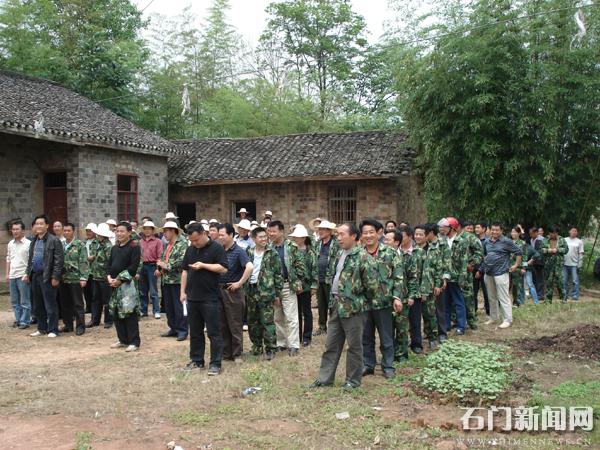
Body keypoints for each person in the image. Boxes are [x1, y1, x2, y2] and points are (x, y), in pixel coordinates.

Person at [308, 223, 378, 391]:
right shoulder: (340, 254)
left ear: (354, 236)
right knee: (331, 345)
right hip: (336, 306)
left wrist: (356, 301)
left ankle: (352, 381)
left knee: (354, 347)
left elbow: (373, 287)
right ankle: (325, 378)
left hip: (353, 309)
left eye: (341, 234)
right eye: (337, 234)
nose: (338, 238)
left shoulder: (363, 257)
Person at [181, 223, 229, 375]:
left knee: (214, 332)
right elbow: (185, 271)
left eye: (196, 240)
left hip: (210, 297)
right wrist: (183, 292)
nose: (194, 243)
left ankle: (215, 363)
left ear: (204, 233)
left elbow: (223, 268)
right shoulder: (190, 249)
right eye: (192, 240)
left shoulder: (216, 248)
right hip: (193, 297)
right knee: (195, 331)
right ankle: (197, 360)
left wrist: (204, 265)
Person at [360, 219, 402, 377]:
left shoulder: (390, 252)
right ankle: (368, 364)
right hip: (364, 303)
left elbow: (399, 277)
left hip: (384, 302)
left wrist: (397, 297)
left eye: (371, 232)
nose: (368, 235)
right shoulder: (358, 254)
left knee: (386, 336)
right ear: (361, 235)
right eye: (365, 233)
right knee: (366, 336)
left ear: (379, 233)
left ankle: (388, 365)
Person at [267, 220, 306, 356]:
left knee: (291, 316)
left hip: (288, 285)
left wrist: (298, 281)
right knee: (277, 317)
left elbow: (300, 265)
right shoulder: (268, 247)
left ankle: (294, 344)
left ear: (281, 231)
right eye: (269, 231)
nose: (271, 234)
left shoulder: (291, 246)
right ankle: (281, 343)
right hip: (273, 287)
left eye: (274, 231)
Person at [245, 226, 283, 360]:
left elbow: (278, 275)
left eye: (265, 236)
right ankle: (256, 346)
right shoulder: (248, 251)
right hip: (251, 290)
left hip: (266, 292)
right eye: (260, 237)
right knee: (253, 320)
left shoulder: (272, 253)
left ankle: (271, 348)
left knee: (267, 322)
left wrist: (278, 294)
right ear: (254, 238)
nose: (264, 239)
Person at [217, 223, 253, 362]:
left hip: (233, 292)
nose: (220, 237)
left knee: (235, 323)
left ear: (231, 235)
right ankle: (226, 353)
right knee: (222, 323)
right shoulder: (218, 250)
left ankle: (237, 354)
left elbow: (249, 267)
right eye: (219, 235)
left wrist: (239, 283)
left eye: (222, 235)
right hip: (218, 290)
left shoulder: (239, 251)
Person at [24, 214, 64, 338]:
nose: (39, 226)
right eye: (37, 224)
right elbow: (30, 259)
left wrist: (56, 277)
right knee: (37, 304)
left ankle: (53, 329)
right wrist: (27, 273)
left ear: (47, 226)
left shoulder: (54, 240)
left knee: (50, 304)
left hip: (47, 276)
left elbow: (59, 260)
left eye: (41, 223)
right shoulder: (34, 241)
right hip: (35, 276)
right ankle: (41, 328)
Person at [480, 223, 522, 329]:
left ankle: (507, 320)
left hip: (501, 273)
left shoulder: (506, 241)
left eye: (497, 230)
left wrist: (516, 265)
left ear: (501, 231)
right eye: (493, 230)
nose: (494, 232)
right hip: (488, 273)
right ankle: (494, 318)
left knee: (503, 297)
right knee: (491, 297)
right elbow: (485, 254)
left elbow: (519, 252)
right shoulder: (487, 241)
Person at [108, 222, 142, 352]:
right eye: (117, 231)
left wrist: (120, 280)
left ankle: (134, 341)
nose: (119, 234)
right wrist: (109, 277)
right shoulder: (114, 248)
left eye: (122, 231)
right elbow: (109, 265)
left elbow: (133, 268)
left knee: (129, 312)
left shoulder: (134, 247)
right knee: (116, 312)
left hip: (127, 285)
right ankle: (123, 339)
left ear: (129, 232)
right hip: (114, 284)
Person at [156, 221, 189, 341]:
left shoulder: (182, 244)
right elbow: (162, 258)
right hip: (167, 280)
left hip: (178, 280)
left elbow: (182, 261)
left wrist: (166, 266)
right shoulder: (168, 244)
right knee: (169, 307)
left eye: (166, 231)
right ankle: (173, 328)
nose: (164, 233)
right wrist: (159, 268)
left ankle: (182, 330)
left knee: (179, 306)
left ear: (173, 231)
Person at [438, 218, 469, 336]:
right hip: (444, 277)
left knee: (458, 302)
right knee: (445, 302)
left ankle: (461, 325)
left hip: (456, 277)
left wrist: (462, 277)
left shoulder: (461, 241)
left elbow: (464, 261)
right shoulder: (442, 240)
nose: (442, 229)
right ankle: (446, 324)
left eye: (445, 227)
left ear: (452, 228)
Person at [288, 224, 318, 347]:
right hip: (294, 285)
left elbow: (314, 269)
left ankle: (307, 336)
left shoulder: (310, 252)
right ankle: (297, 335)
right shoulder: (290, 250)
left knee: (306, 311)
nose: (295, 239)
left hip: (306, 286)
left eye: (298, 237)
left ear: (304, 238)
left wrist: (314, 285)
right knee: (295, 312)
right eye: (294, 237)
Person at [394, 226, 421, 358]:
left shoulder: (414, 253)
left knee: (414, 320)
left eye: (403, 236)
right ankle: (396, 349)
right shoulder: (393, 254)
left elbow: (414, 277)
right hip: (395, 296)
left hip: (410, 294)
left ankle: (416, 344)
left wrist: (412, 294)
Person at [59, 222, 88, 335]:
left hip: (75, 278)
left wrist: (84, 277)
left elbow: (83, 261)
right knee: (65, 303)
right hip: (63, 278)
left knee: (78, 304)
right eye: (64, 231)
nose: (66, 233)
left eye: (68, 231)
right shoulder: (61, 244)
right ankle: (68, 325)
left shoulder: (79, 244)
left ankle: (80, 326)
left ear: (73, 231)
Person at [314, 220, 339, 336]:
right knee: (321, 304)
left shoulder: (336, 244)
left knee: (332, 304)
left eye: (322, 229)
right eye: (319, 229)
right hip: (319, 278)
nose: (320, 232)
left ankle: (333, 327)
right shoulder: (317, 244)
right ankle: (322, 326)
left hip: (331, 278)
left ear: (329, 231)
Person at [88, 223, 114, 329]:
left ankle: (108, 320)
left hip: (104, 277)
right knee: (95, 299)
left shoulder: (108, 246)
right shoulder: (97, 245)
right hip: (95, 275)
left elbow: (110, 262)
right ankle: (95, 320)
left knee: (107, 300)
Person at [6, 220, 31, 329]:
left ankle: (25, 321)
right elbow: (8, 259)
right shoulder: (10, 243)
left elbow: (31, 261)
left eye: (17, 229)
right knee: (15, 301)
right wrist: (7, 273)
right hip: (12, 275)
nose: (15, 231)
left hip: (23, 275)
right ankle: (18, 319)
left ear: (23, 231)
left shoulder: (28, 244)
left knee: (25, 300)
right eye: (13, 229)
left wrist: (28, 274)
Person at [459, 220, 483, 330]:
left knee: (468, 296)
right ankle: (457, 321)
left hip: (465, 273)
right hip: (452, 273)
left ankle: (471, 321)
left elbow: (479, 252)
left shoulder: (470, 238)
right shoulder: (448, 238)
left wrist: (472, 264)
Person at [139, 221, 162, 319]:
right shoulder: (141, 241)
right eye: (145, 229)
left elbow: (160, 256)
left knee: (153, 290)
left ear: (153, 230)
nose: (147, 231)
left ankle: (156, 311)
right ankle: (143, 310)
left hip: (152, 266)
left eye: (149, 229)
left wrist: (158, 268)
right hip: (142, 266)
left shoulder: (158, 241)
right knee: (142, 290)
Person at [541, 226, 568, 303]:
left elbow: (566, 249)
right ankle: (548, 300)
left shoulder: (562, 239)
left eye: (556, 233)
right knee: (549, 282)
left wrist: (558, 250)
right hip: (548, 264)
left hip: (558, 264)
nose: (554, 234)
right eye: (553, 233)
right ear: (549, 233)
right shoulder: (545, 240)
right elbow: (540, 249)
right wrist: (547, 250)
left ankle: (563, 299)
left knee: (560, 282)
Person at [563, 227, 584, 301]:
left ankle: (575, 295)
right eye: (573, 230)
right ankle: (565, 295)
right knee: (564, 280)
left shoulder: (579, 241)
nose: (574, 232)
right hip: (565, 263)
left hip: (574, 264)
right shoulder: (564, 240)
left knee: (575, 280)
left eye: (576, 231)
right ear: (569, 231)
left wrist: (580, 264)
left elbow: (581, 253)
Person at [474, 222, 490, 316]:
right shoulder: (473, 240)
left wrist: (480, 270)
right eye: (475, 227)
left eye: (478, 227)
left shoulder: (488, 241)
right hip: (474, 270)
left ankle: (488, 310)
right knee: (473, 292)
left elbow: (487, 258)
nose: (476, 229)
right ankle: (474, 310)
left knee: (486, 291)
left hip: (485, 270)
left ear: (484, 229)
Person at [509, 226, 527, 307]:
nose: (513, 234)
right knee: (507, 286)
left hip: (518, 267)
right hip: (507, 267)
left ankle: (516, 302)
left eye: (515, 232)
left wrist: (524, 268)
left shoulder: (522, 243)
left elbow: (525, 257)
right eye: (512, 232)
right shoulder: (508, 242)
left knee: (517, 286)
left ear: (519, 233)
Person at [528, 226, 546, 299]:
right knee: (534, 279)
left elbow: (539, 252)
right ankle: (535, 294)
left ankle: (541, 295)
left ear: (536, 233)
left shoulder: (540, 240)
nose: (530, 235)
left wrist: (532, 259)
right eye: (530, 234)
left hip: (539, 263)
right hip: (533, 263)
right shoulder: (531, 240)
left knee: (540, 279)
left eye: (532, 233)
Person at [83, 223, 96, 313]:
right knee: (86, 290)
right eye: (87, 231)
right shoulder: (84, 242)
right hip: (85, 270)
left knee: (94, 291)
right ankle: (88, 307)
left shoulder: (97, 242)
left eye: (90, 231)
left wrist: (93, 257)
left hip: (94, 270)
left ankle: (94, 307)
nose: (88, 233)